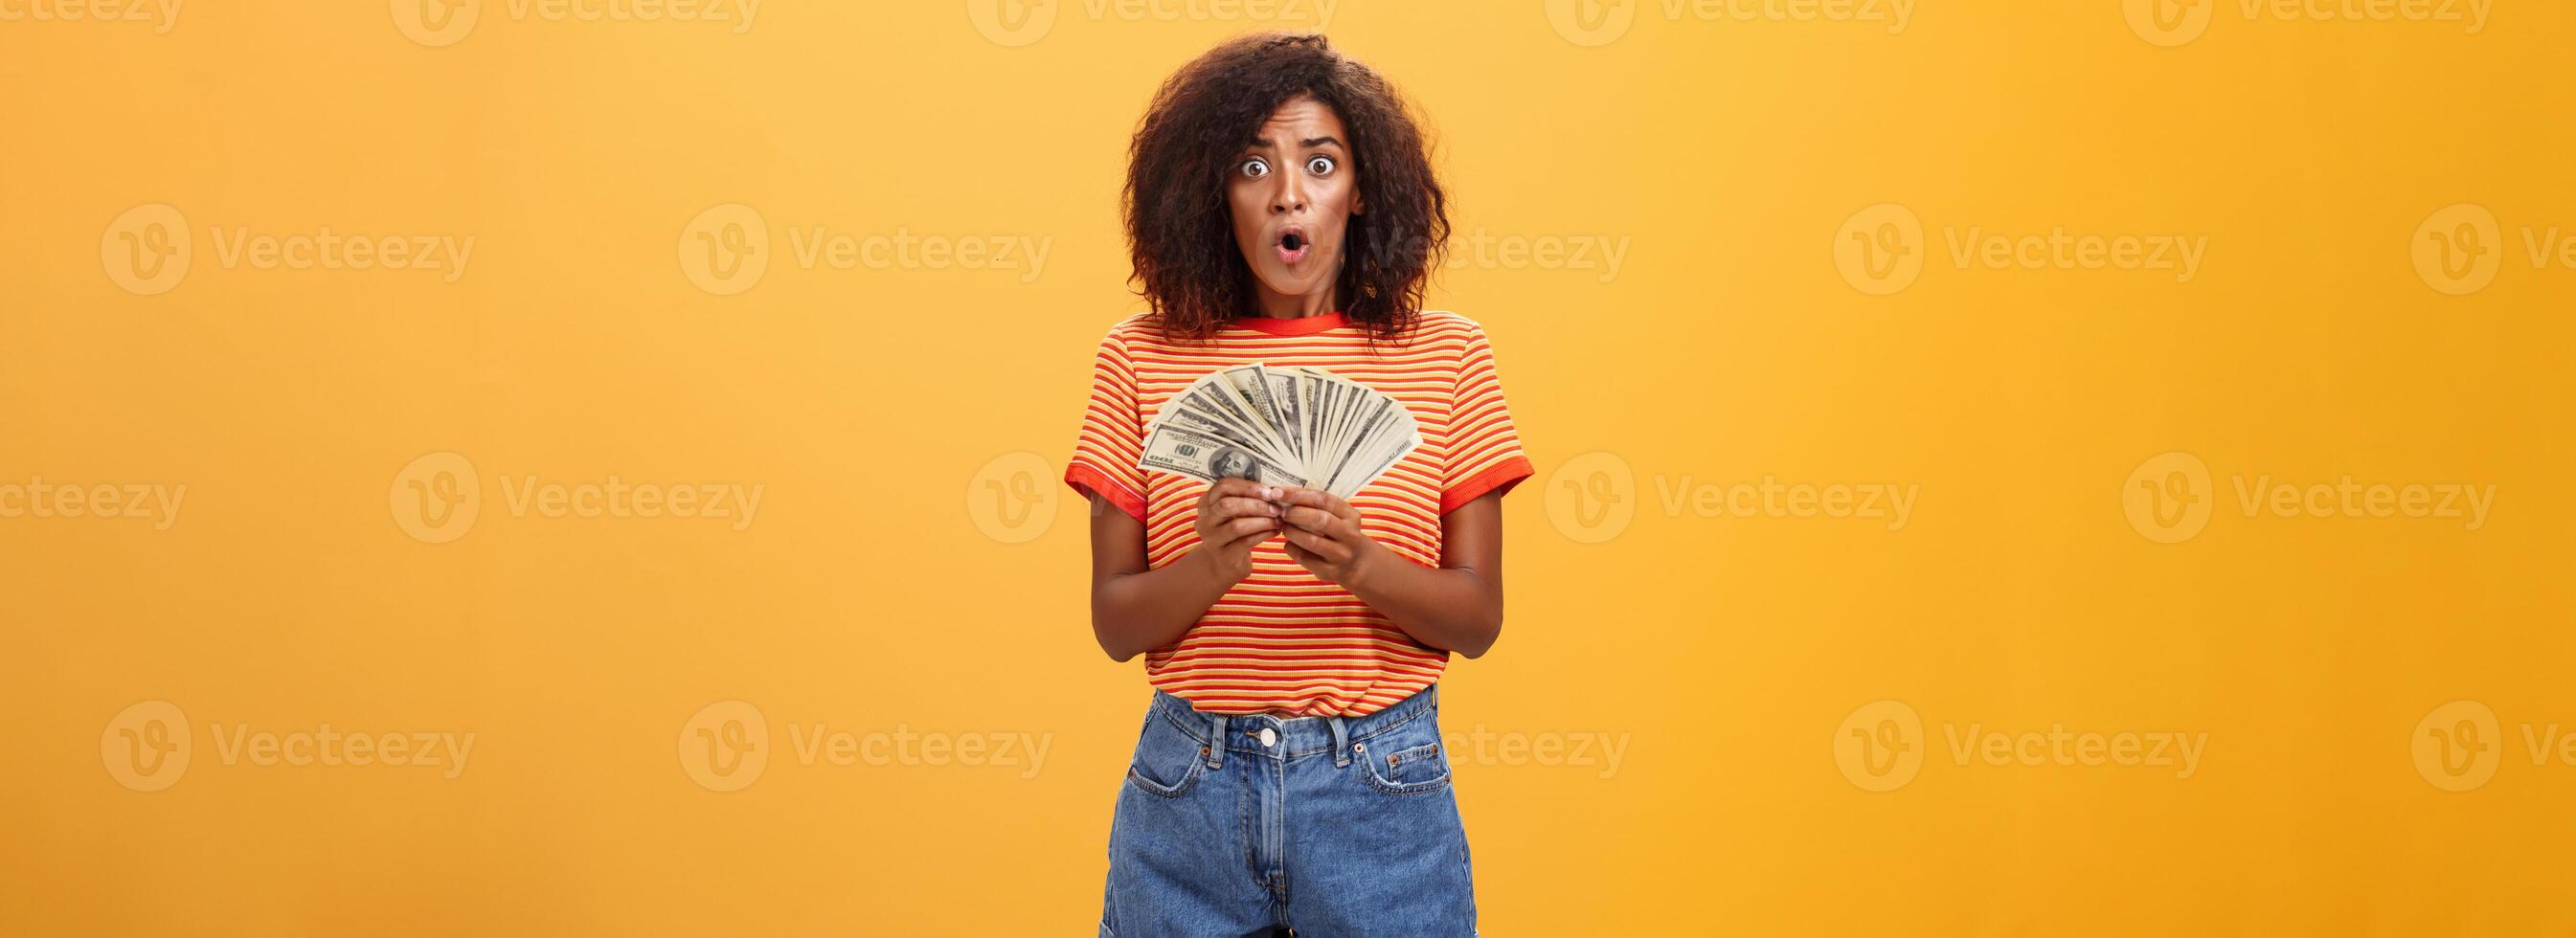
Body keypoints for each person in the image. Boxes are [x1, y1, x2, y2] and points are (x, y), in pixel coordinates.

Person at [1064, 33, 1533, 936]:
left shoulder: (1449, 356)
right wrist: (1212, 561)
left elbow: (1477, 621)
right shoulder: (1138, 357)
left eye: (1320, 163)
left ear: (1361, 193)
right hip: (1185, 791)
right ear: (1216, 193)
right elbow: (1115, 626)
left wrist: (1361, 562)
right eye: (1253, 164)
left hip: (1383, 789)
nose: (1289, 192)